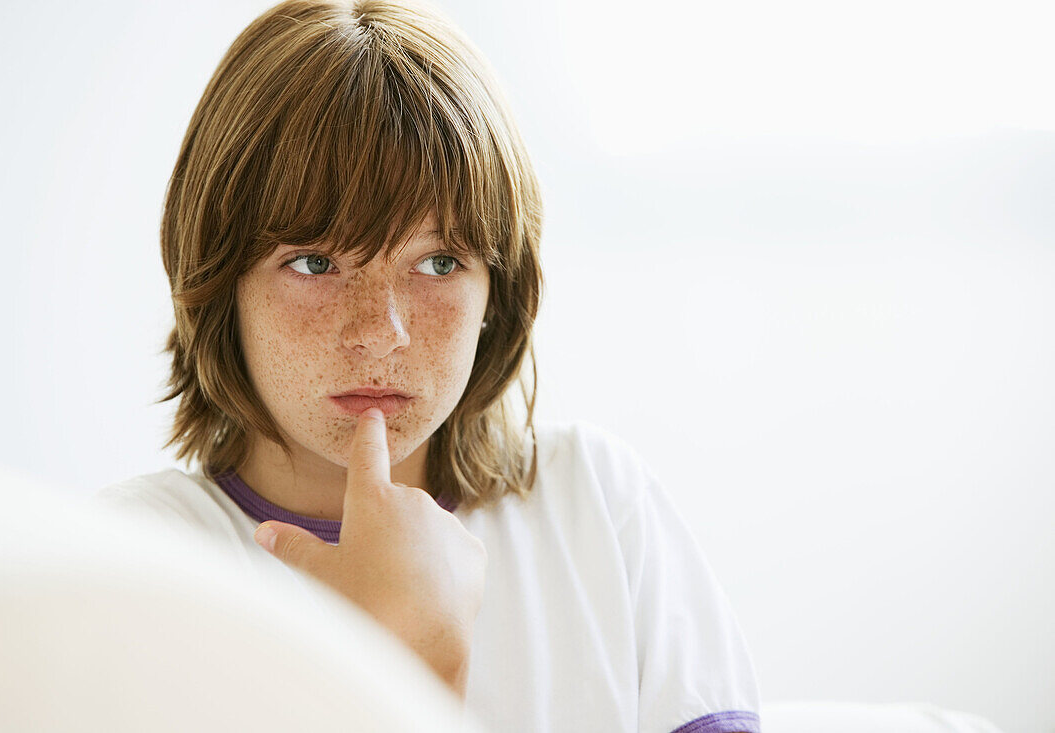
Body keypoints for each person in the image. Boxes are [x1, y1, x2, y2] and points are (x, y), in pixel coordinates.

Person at [95, 1, 762, 731]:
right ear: (221, 282)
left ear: (496, 293)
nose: (381, 333)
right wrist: (415, 675)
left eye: (438, 262)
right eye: (315, 262)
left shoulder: (596, 507)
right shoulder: (125, 562)